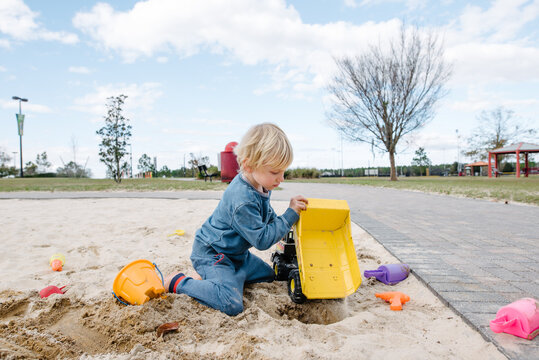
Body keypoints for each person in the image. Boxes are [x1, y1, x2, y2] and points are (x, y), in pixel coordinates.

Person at [164, 123, 308, 316]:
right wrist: (290, 215)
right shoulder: (242, 199)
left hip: (237, 256)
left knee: (269, 276)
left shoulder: (260, 184)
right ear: (248, 164)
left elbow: (267, 215)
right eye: (275, 172)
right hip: (214, 254)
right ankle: (179, 282)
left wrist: (283, 224)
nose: (281, 178)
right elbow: (263, 240)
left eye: (284, 171)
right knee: (231, 304)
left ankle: (220, 279)